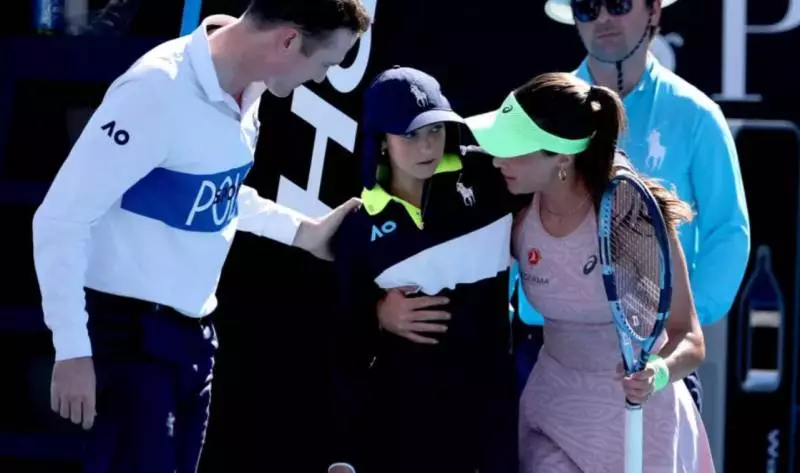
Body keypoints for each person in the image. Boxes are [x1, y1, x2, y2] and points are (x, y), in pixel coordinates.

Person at [31, 2, 371, 472]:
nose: (318, 78)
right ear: (289, 40)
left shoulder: (250, 90)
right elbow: (60, 219)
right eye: (324, 64)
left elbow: (214, 189)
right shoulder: (154, 92)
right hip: (128, 345)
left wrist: (303, 233)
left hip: (193, 343)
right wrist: (71, 349)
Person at [464, 71, 715, 472]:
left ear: (562, 156)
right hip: (551, 414)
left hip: (639, 420)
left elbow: (691, 337)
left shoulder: (630, 215)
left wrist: (659, 372)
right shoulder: (514, 213)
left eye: (513, 149)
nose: (497, 160)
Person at [509, 0, 750, 410]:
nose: (603, 18)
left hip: (653, 364)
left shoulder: (697, 116)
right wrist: (530, 303)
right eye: (587, 7)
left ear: (654, 10)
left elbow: (728, 233)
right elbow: (506, 218)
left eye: (619, 3)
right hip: (550, 352)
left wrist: (670, 330)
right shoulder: (539, 115)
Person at [327, 66, 518, 473]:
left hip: (494, 410)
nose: (427, 146)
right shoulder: (359, 228)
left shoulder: (491, 175)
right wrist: (376, 315)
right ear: (381, 142)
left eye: (435, 129)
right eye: (410, 134)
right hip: (407, 425)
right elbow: (347, 345)